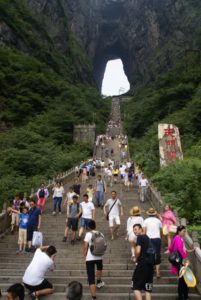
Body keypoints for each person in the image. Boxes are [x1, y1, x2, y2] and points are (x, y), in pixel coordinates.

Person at [168, 225, 194, 300]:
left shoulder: (178, 238)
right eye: (183, 231)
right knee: (183, 280)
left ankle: (182, 296)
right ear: (179, 231)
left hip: (180, 261)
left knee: (182, 279)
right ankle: (183, 296)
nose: (185, 233)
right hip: (180, 261)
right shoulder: (177, 238)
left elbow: (171, 248)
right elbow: (179, 249)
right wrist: (185, 258)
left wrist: (191, 250)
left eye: (185, 231)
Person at [83, 220, 105, 300]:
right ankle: (99, 281)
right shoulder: (101, 234)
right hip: (99, 256)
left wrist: (85, 256)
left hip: (90, 257)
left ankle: (94, 297)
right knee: (99, 268)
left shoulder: (88, 234)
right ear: (95, 226)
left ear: (88, 227)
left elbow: (85, 246)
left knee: (91, 278)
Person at [132, 224, 154, 300]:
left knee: (136, 287)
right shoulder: (147, 238)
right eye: (134, 229)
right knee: (147, 289)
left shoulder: (140, 237)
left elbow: (138, 251)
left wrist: (135, 258)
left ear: (141, 229)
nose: (135, 231)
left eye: (136, 229)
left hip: (142, 264)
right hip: (150, 266)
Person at [143, 208, 162, 278]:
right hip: (157, 238)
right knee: (157, 254)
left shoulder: (145, 221)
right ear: (154, 214)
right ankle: (158, 272)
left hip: (149, 239)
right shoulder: (158, 221)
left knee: (149, 254)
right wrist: (160, 238)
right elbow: (160, 231)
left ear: (148, 214)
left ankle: (150, 270)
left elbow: (144, 232)